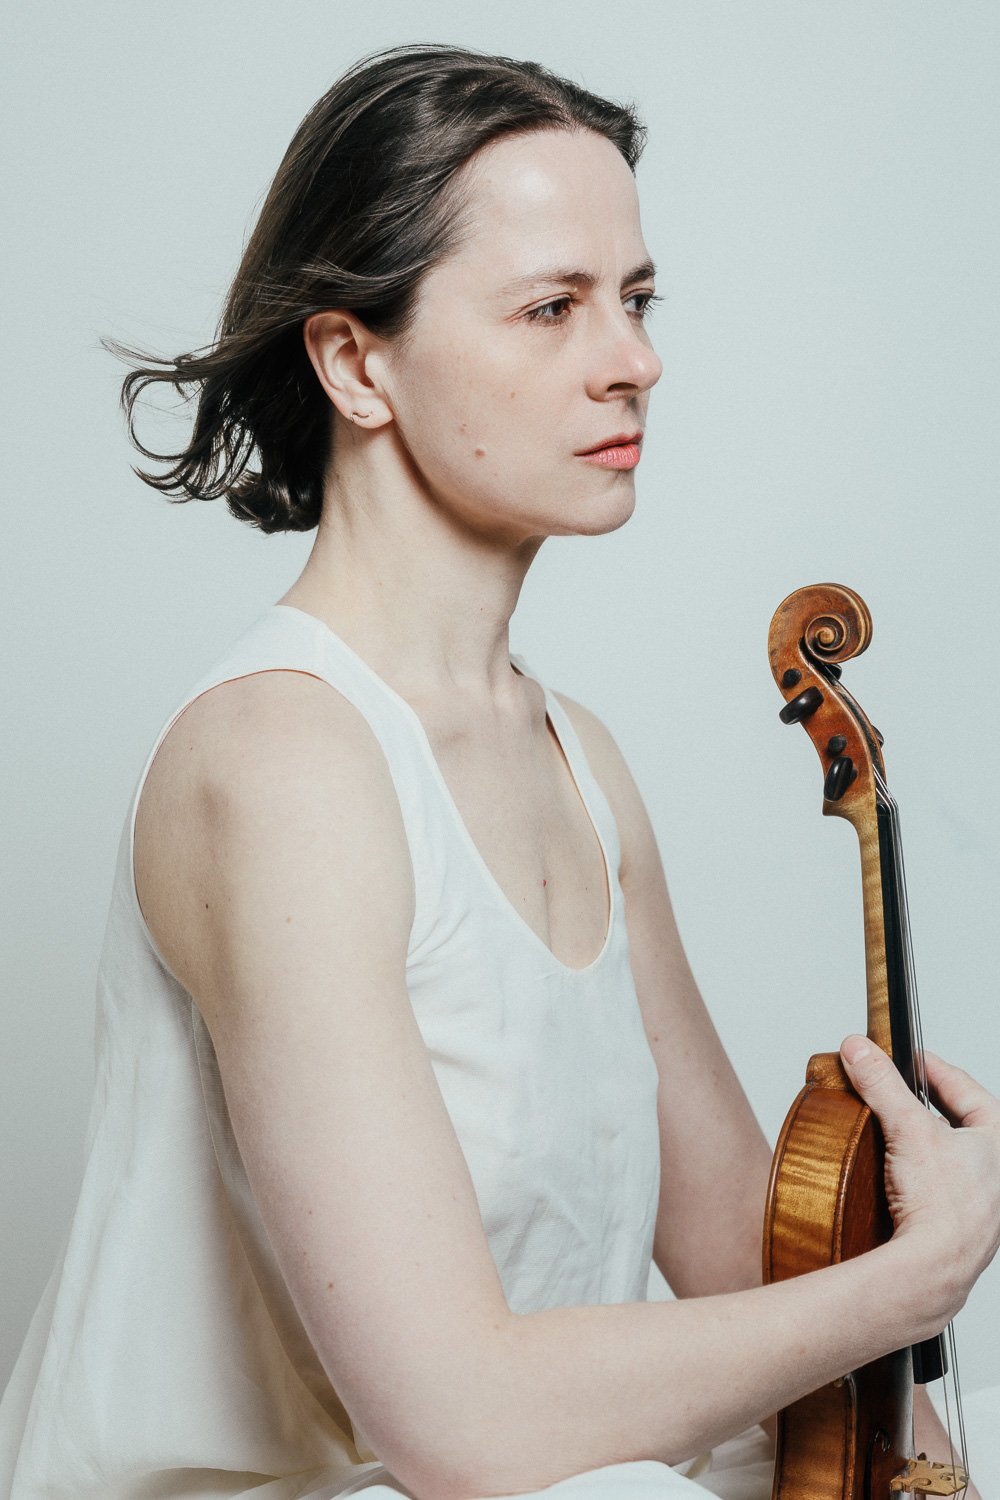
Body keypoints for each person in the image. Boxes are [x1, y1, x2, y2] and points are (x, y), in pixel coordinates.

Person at [0, 40, 996, 1500]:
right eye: (552, 308)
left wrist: (901, 1311)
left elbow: (739, 1269)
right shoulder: (279, 760)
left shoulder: (575, 760)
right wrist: (906, 1289)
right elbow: (457, 1422)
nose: (634, 358)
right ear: (355, 362)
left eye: (638, 300)